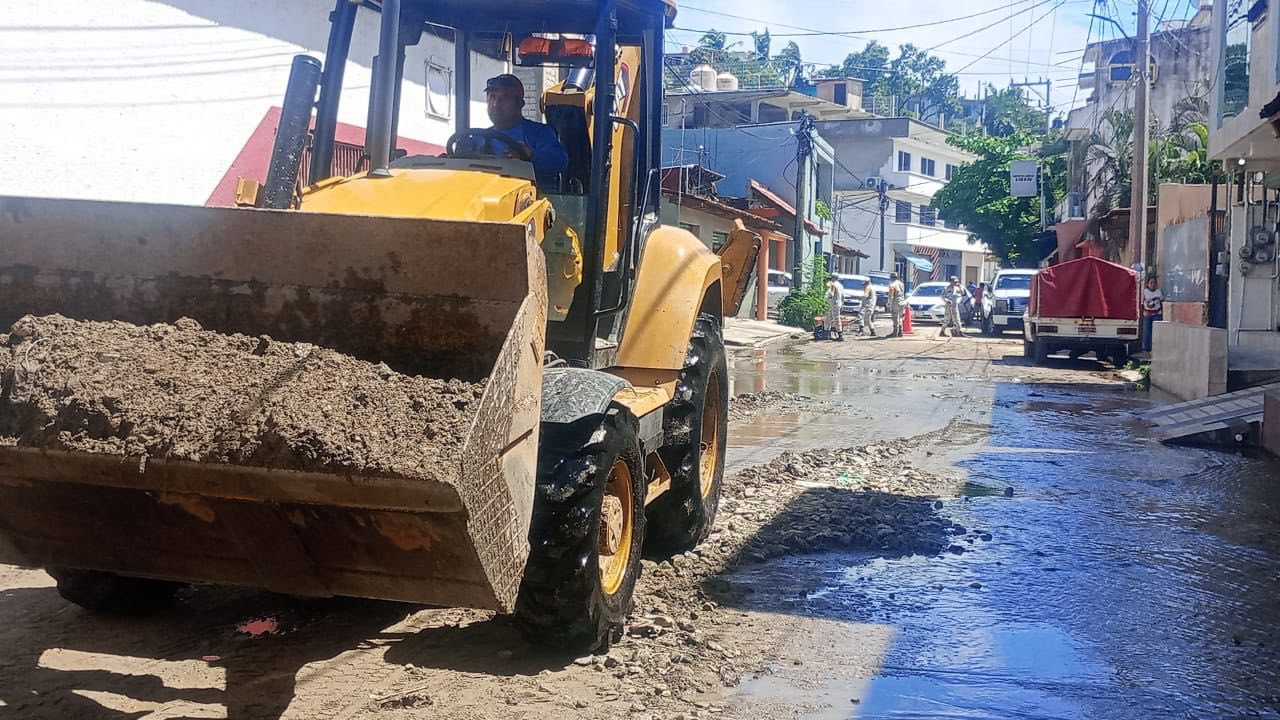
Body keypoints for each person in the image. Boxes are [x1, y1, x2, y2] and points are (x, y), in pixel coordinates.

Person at [480, 74, 569, 188]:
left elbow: (561, 161)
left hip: (533, 196)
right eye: (492, 97)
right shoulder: (479, 138)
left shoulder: (539, 133)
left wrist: (530, 155)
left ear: (520, 104)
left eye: (505, 98)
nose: (496, 104)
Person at [1141, 276, 1163, 352]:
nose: (1152, 284)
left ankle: (1155, 347)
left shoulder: (1159, 292)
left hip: (1157, 314)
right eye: (1151, 283)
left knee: (1156, 332)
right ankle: (1146, 348)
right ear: (1148, 284)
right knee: (1147, 331)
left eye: (1154, 283)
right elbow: (1142, 303)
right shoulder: (1145, 292)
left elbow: (1161, 301)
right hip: (1147, 314)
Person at [825, 276, 844, 340]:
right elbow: (843, 296)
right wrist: (842, 304)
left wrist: (827, 297)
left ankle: (840, 335)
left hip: (833, 304)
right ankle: (828, 334)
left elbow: (831, 294)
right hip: (837, 304)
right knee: (830, 319)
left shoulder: (833, 285)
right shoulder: (840, 285)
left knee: (834, 319)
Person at [887, 272, 906, 337]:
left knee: (895, 317)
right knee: (900, 317)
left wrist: (889, 303)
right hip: (902, 302)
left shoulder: (892, 285)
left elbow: (891, 296)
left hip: (895, 303)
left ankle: (895, 332)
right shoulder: (901, 284)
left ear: (891, 277)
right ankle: (900, 332)